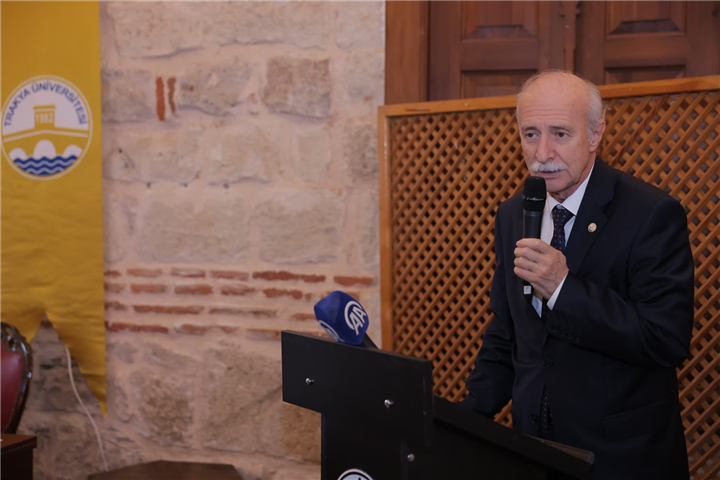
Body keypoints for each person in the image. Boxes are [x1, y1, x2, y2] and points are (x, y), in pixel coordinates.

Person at [459, 70, 694, 480]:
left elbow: (665, 340)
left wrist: (563, 289)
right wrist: (460, 421)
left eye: (560, 134)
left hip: (622, 458)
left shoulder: (651, 214)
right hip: (533, 449)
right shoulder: (513, 214)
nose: (542, 152)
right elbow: (507, 333)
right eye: (531, 134)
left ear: (595, 134)